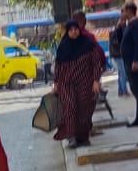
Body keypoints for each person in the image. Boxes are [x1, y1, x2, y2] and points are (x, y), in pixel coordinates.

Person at [52, 19, 104, 148]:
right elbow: (58, 66)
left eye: (75, 29)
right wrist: (56, 83)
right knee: (69, 107)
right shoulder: (63, 47)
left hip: (85, 83)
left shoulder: (88, 45)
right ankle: (71, 136)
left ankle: (83, 136)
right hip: (66, 84)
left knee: (84, 109)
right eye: (71, 30)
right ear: (67, 32)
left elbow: (96, 63)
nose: (74, 32)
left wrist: (96, 80)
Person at [109, 8, 131, 97]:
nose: (123, 22)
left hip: (121, 54)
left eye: (124, 21)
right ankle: (124, 90)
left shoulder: (124, 29)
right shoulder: (115, 31)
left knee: (121, 72)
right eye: (122, 21)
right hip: (118, 54)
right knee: (123, 72)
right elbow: (115, 42)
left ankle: (121, 90)